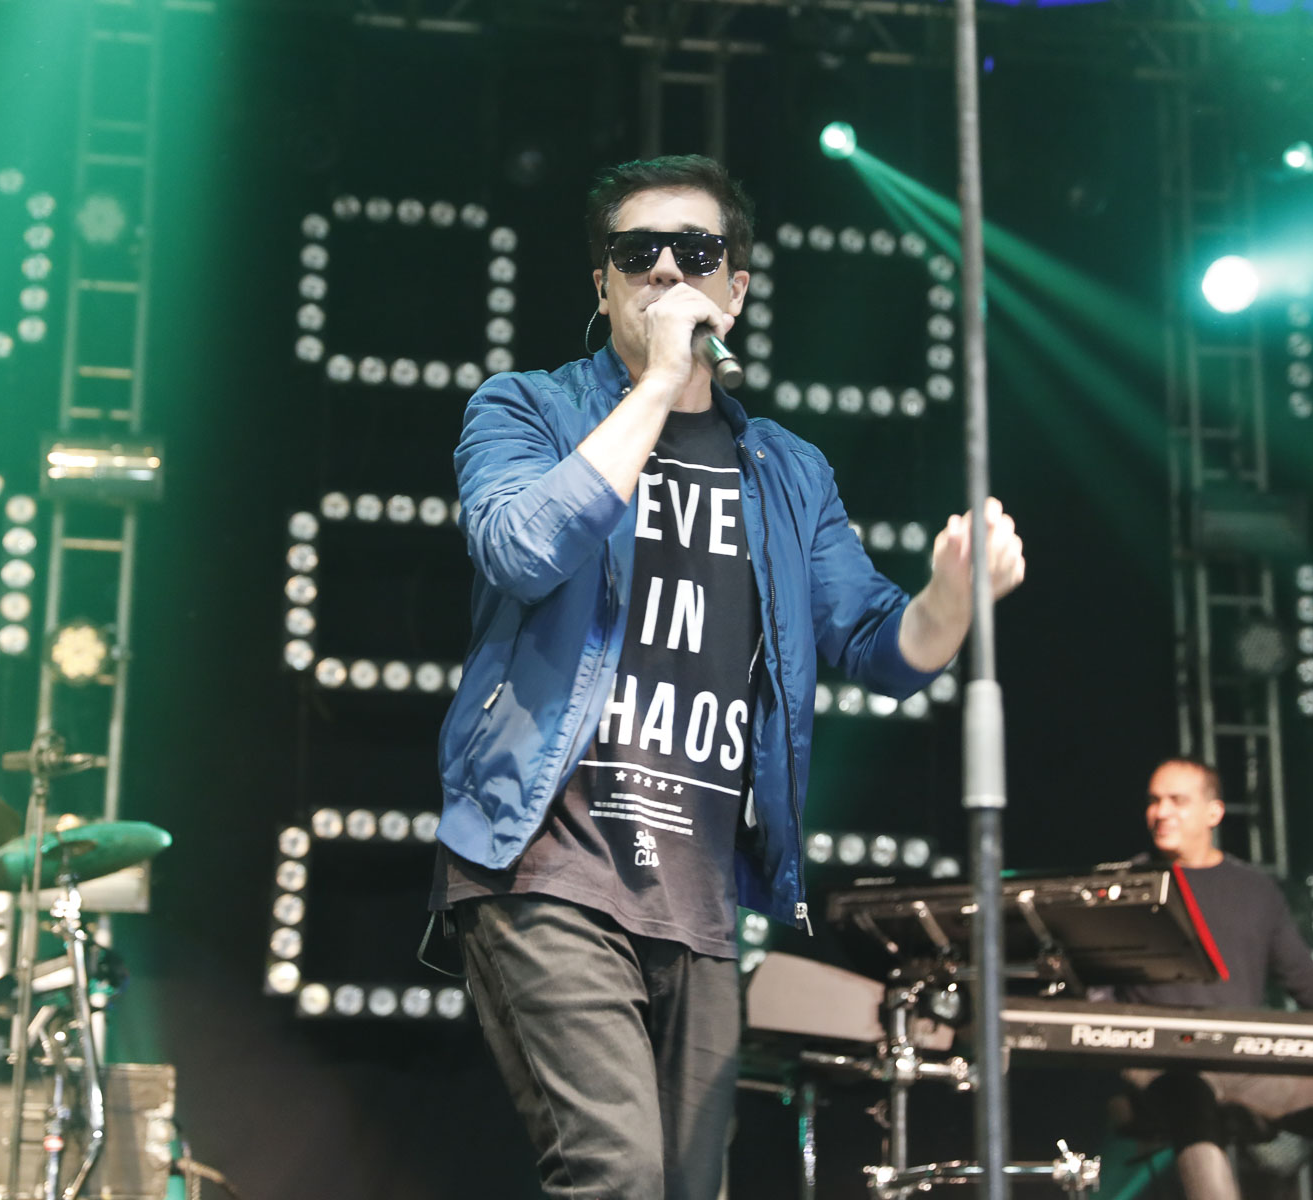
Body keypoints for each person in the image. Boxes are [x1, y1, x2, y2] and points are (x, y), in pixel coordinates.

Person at [428, 154, 1025, 1200]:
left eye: (695, 252)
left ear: (735, 289)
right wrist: (659, 384)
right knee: (617, 1172)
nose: (666, 271)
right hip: (545, 864)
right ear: (603, 284)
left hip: (700, 899)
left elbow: (880, 648)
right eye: (637, 254)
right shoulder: (524, 409)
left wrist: (950, 598)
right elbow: (522, 549)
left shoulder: (787, 470)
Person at [1115, 758, 1313, 1200]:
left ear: (1214, 812)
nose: (1161, 812)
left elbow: (1305, 979)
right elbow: (1095, 993)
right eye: (1154, 800)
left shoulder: (1255, 890)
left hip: (1247, 1063)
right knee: (1189, 1097)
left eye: (1177, 800)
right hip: (1165, 1067)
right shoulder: (1126, 885)